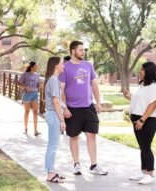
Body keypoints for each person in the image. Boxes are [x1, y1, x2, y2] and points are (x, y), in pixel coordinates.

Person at [59, 40, 108, 176]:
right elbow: (61, 90)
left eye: (84, 50)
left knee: (91, 135)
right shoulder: (65, 68)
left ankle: (94, 165)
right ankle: (76, 164)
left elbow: (94, 84)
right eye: (81, 50)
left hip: (88, 107)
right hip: (72, 108)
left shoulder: (88, 65)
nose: (83, 52)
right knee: (74, 136)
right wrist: (64, 108)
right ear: (73, 51)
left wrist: (98, 102)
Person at [123, 61, 156, 184]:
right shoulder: (143, 86)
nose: (139, 71)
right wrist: (127, 96)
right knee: (142, 147)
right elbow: (139, 101)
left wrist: (142, 120)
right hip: (138, 119)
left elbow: (154, 104)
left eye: (142, 69)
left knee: (146, 146)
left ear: (148, 71)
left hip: (149, 120)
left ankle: (150, 174)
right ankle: (144, 172)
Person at [44, 56, 66, 183]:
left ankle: (51, 170)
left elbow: (58, 101)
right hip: (53, 115)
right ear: (56, 65)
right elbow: (56, 101)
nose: (63, 65)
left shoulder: (53, 80)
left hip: (53, 114)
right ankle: (50, 174)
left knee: (53, 145)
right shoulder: (53, 80)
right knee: (52, 145)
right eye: (62, 63)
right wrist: (62, 120)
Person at [18, 61, 41, 136]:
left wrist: (40, 85)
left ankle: (35, 130)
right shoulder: (25, 74)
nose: (37, 67)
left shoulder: (37, 75)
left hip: (35, 94)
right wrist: (25, 87)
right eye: (36, 66)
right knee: (27, 111)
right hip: (27, 94)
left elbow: (37, 84)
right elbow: (19, 82)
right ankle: (25, 129)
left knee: (35, 112)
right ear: (32, 66)